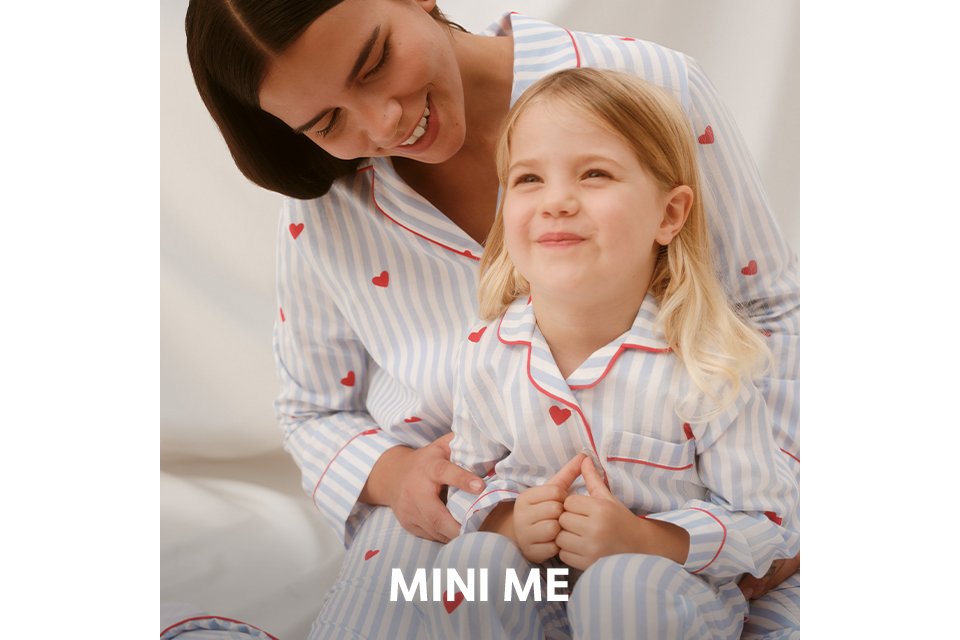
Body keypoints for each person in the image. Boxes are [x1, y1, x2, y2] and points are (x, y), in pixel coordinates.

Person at [167, 1, 799, 638]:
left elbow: (769, 310)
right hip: (468, 521)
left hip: (691, 522)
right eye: (328, 121)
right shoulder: (328, 204)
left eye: (375, 61)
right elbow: (310, 409)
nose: (385, 122)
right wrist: (400, 477)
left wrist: (777, 515)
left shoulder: (650, 81)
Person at [432, 67, 798, 640]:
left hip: (667, 595)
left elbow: (765, 522)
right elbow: (470, 482)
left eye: (594, 173)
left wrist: (646, 540)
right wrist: (507, 521)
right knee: (465, 568)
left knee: (618, 586)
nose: (556, 201)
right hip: (543, 590)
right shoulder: (487, 353)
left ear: (668, 215)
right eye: (529, 179)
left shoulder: (706, 366)